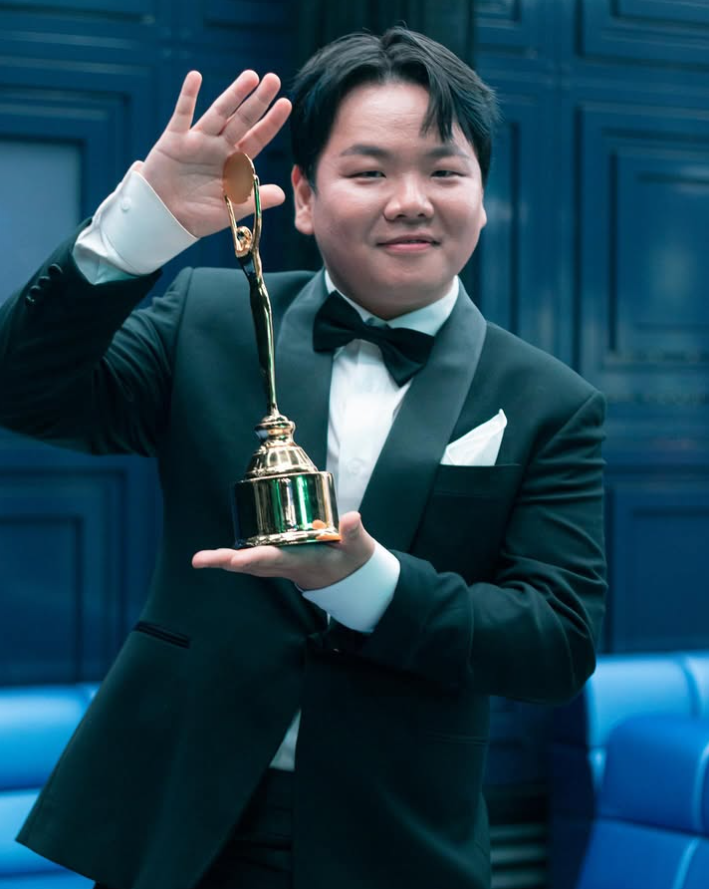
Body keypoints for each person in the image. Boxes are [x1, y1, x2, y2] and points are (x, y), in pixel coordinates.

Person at [0, 26, 606, 889]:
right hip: (177, 820)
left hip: (396, 838)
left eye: (444, 171)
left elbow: (556, 639)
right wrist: (141, 225)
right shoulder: (206, 319)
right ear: (306, 198)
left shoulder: (549, 399)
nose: (410, 200)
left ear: (482, 199)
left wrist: (368, 584)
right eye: (369, 172)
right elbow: (24, 391)